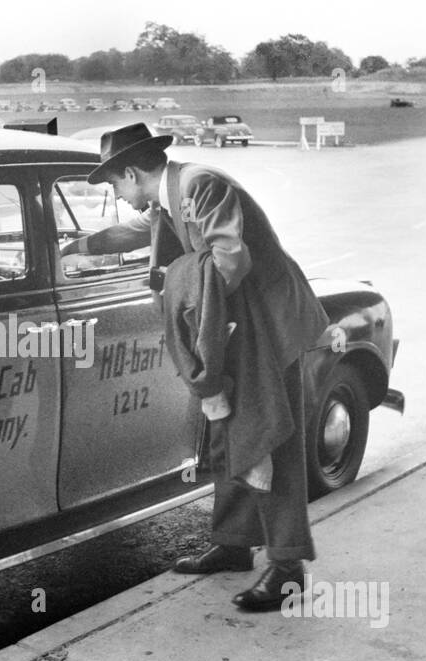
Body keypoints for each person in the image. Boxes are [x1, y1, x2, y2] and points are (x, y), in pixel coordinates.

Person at [61, 123, 329, 612]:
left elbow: (230, 258)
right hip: (237, 324)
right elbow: (139, 231)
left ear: (132, 172)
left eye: (115, 186)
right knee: (227, 434)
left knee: (271, 436)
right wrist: (80, 247)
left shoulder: (200, 184)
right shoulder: (168, 197)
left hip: (270, 324)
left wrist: (199, 320)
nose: (119, 198)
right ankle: (232, 543)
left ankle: (289, 568)